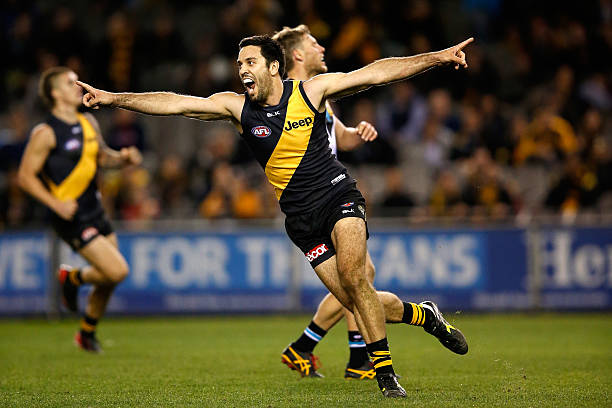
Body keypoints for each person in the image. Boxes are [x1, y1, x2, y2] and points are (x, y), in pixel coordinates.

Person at [77, 34, 473, 397]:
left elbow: (376, 72)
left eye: (250, 62)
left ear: (272, 67)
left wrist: (436, 58)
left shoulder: (311, 91)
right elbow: (175, 103)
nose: (243, 70)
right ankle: (426, 315)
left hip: (338, 195)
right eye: (239, 64)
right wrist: (114, 98)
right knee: (355, 298)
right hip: (300, 220)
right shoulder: (236, 108)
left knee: (356, 276)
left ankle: (386, 377)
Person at [272, 24, 380, 380]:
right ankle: (348, 356)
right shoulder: (287, 98)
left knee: (360, 274)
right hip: (310, 202)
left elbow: (340, 139)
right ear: (298, 55)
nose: (322, 46)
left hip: (330, 194)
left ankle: (339, 355)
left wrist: (356, 132)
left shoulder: (321, 97)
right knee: (358, 277)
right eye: (314, 43)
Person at [18, 67, 142, 353]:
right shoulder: (46, 132)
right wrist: (55, 204)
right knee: (117, 271)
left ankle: (86, 333)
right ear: (55, 93)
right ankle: (72, 278)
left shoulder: (88, 122)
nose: (78, 86)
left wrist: (122, 158)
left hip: (95, 209)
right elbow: (25, 176)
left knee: (109, 279)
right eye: (69, 83)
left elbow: (101, 156)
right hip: (70, 215)